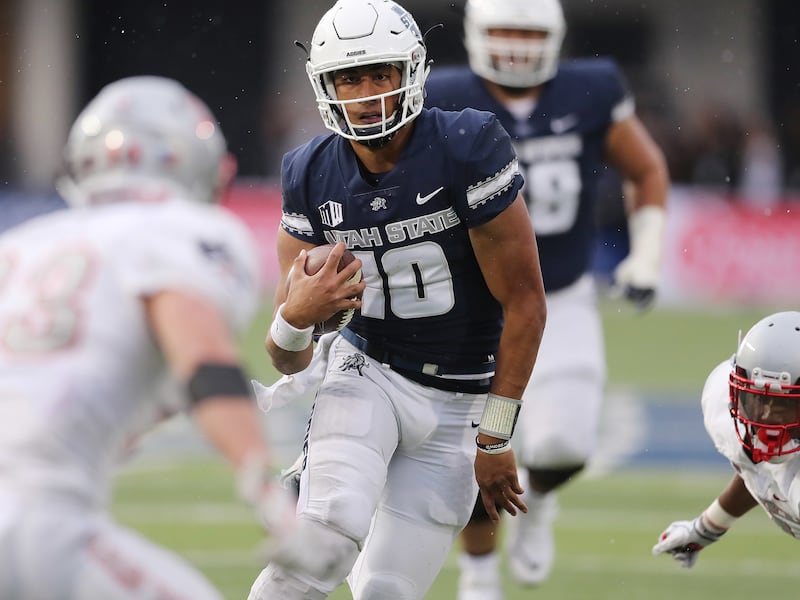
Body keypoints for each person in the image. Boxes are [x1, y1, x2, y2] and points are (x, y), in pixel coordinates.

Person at [247, 0, 547, 598]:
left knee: (388, 591)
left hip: (461, 405)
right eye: (348, 78)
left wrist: (495, 436)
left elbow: (526, 304)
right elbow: (290, 359)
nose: (367, 93)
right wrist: (294, 320)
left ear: (411, 70)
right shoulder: (309, 173)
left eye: (380, 73)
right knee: (324, 544)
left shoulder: (467, 146)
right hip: (369, 374)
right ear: (324, 86)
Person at [0, 76, 293, 599]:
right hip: (35, 518)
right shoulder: (178, 232)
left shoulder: (20, 244)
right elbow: (205, 362)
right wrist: (273, 500)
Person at [423, 0, 670, 597]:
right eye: (504, 30)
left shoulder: (589, 90)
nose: (516, 45)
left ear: (556, 36)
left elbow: (646, 170)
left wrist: (647, 254)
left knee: (565, 442)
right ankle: (479, 574)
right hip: (472, 305)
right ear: (477, 34)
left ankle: (538, 496)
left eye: (528, 32)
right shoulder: (443, 93)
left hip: (560, 293)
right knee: (470, 447)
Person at [653, 311, 800, 566]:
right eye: (758, 399)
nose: (764, 417)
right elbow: (758, 472)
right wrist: (705, 528)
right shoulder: (724, 408)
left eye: (781, 405)